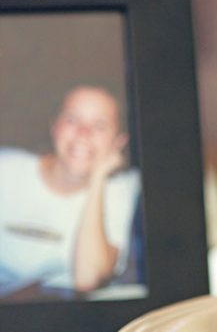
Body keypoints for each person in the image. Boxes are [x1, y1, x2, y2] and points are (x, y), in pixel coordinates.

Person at [0, 84, 142, 297]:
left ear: (119, 142)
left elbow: (88, 279)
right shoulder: (6, 169)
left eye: (100, 125)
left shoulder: (121, 189)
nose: (83, 133)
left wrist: (98, 179)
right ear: (54, 127)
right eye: (72, 119)